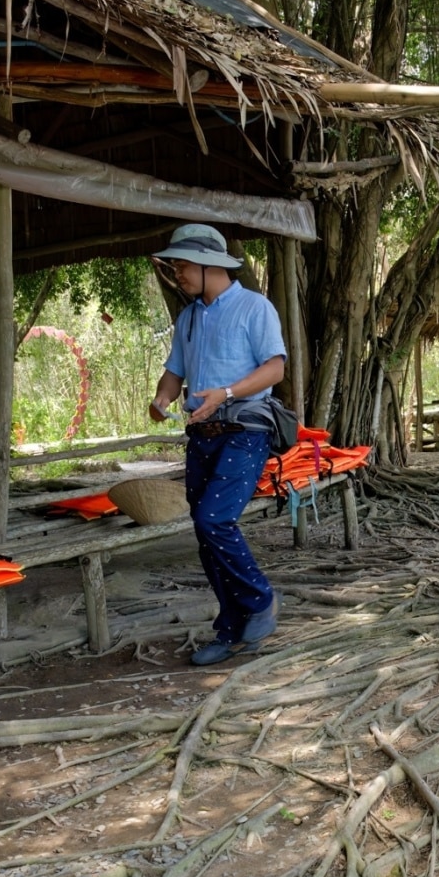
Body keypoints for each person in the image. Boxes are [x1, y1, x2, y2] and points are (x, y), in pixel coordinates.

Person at [148, 224, 286, 666]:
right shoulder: (188, 317)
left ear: (211, 266)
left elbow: (275, 369)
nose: (178, 273)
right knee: (206, 538)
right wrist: (162, 397)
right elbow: (175, 370)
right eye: (175, 265)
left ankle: (261, 601)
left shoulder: (254, 307)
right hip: (201, 438)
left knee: (213, 521)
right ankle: (231, 631)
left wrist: (226, 393)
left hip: (245, 433)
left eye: (183, 265)